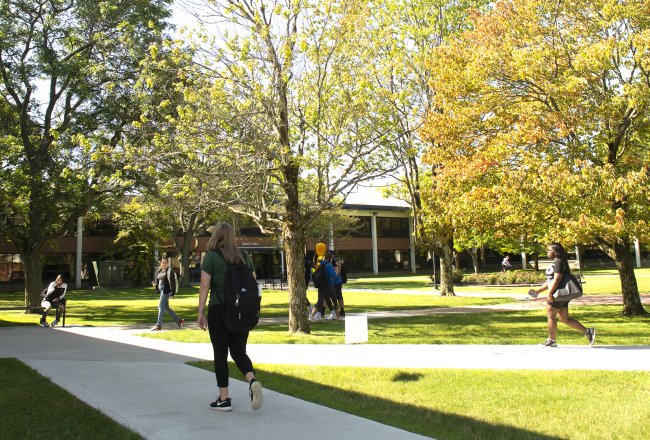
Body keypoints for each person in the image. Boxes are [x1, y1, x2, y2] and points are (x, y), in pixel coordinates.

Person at [198, 222, 263, 412]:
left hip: (219, 310)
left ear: (216, 236)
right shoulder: (244, 256)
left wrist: (200, 312)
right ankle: (252, 381)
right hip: (241, 312)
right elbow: (252, 282)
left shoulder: (211, 257)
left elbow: (204, 286)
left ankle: (224, 399)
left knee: (220, 354)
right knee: (239, 352)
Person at [528, 243, 595, 347]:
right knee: (564, 319)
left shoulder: (559, 262)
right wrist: (538, 291)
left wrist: (550, 293)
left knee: (551, 316)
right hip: (560, 295)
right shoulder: (557, 262)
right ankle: (588, 331)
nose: (547, 252)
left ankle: (551, 340)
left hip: (557, 295)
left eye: (549, 250)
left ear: (555, 252)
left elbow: (557, 279)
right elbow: (550, 281)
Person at [151, 258, 184, 331]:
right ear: (161, 263)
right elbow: (158, 280)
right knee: (166, 307)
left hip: (165, 291)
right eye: (163, 262)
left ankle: (158, 325)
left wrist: (172, 293)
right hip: (161, 290)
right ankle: (179, 320)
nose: (164, 264)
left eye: (165, 263)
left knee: (160, 306)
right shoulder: (160, 271)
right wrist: (154, 284)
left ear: (168, 263)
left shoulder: (169, 271)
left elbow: (172, 283)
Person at [309, 247, 341, 321]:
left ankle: (312, 316)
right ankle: (338, 317)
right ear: (331, 258)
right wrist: (338, 269)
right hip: (329, 285)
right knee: (334, 301)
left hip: (321, 285)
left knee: (320, 301)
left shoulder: (321, 264)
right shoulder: (329, 265)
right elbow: (333, 276)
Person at [331, 252, 345, 319]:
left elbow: (338, 272)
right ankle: (323, 310)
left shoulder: (337, 263)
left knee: (339, 296)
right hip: (332, 282)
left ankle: (342, 310)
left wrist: (333, 275)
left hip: (337, 282)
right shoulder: (329, 262)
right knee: (328, 296)